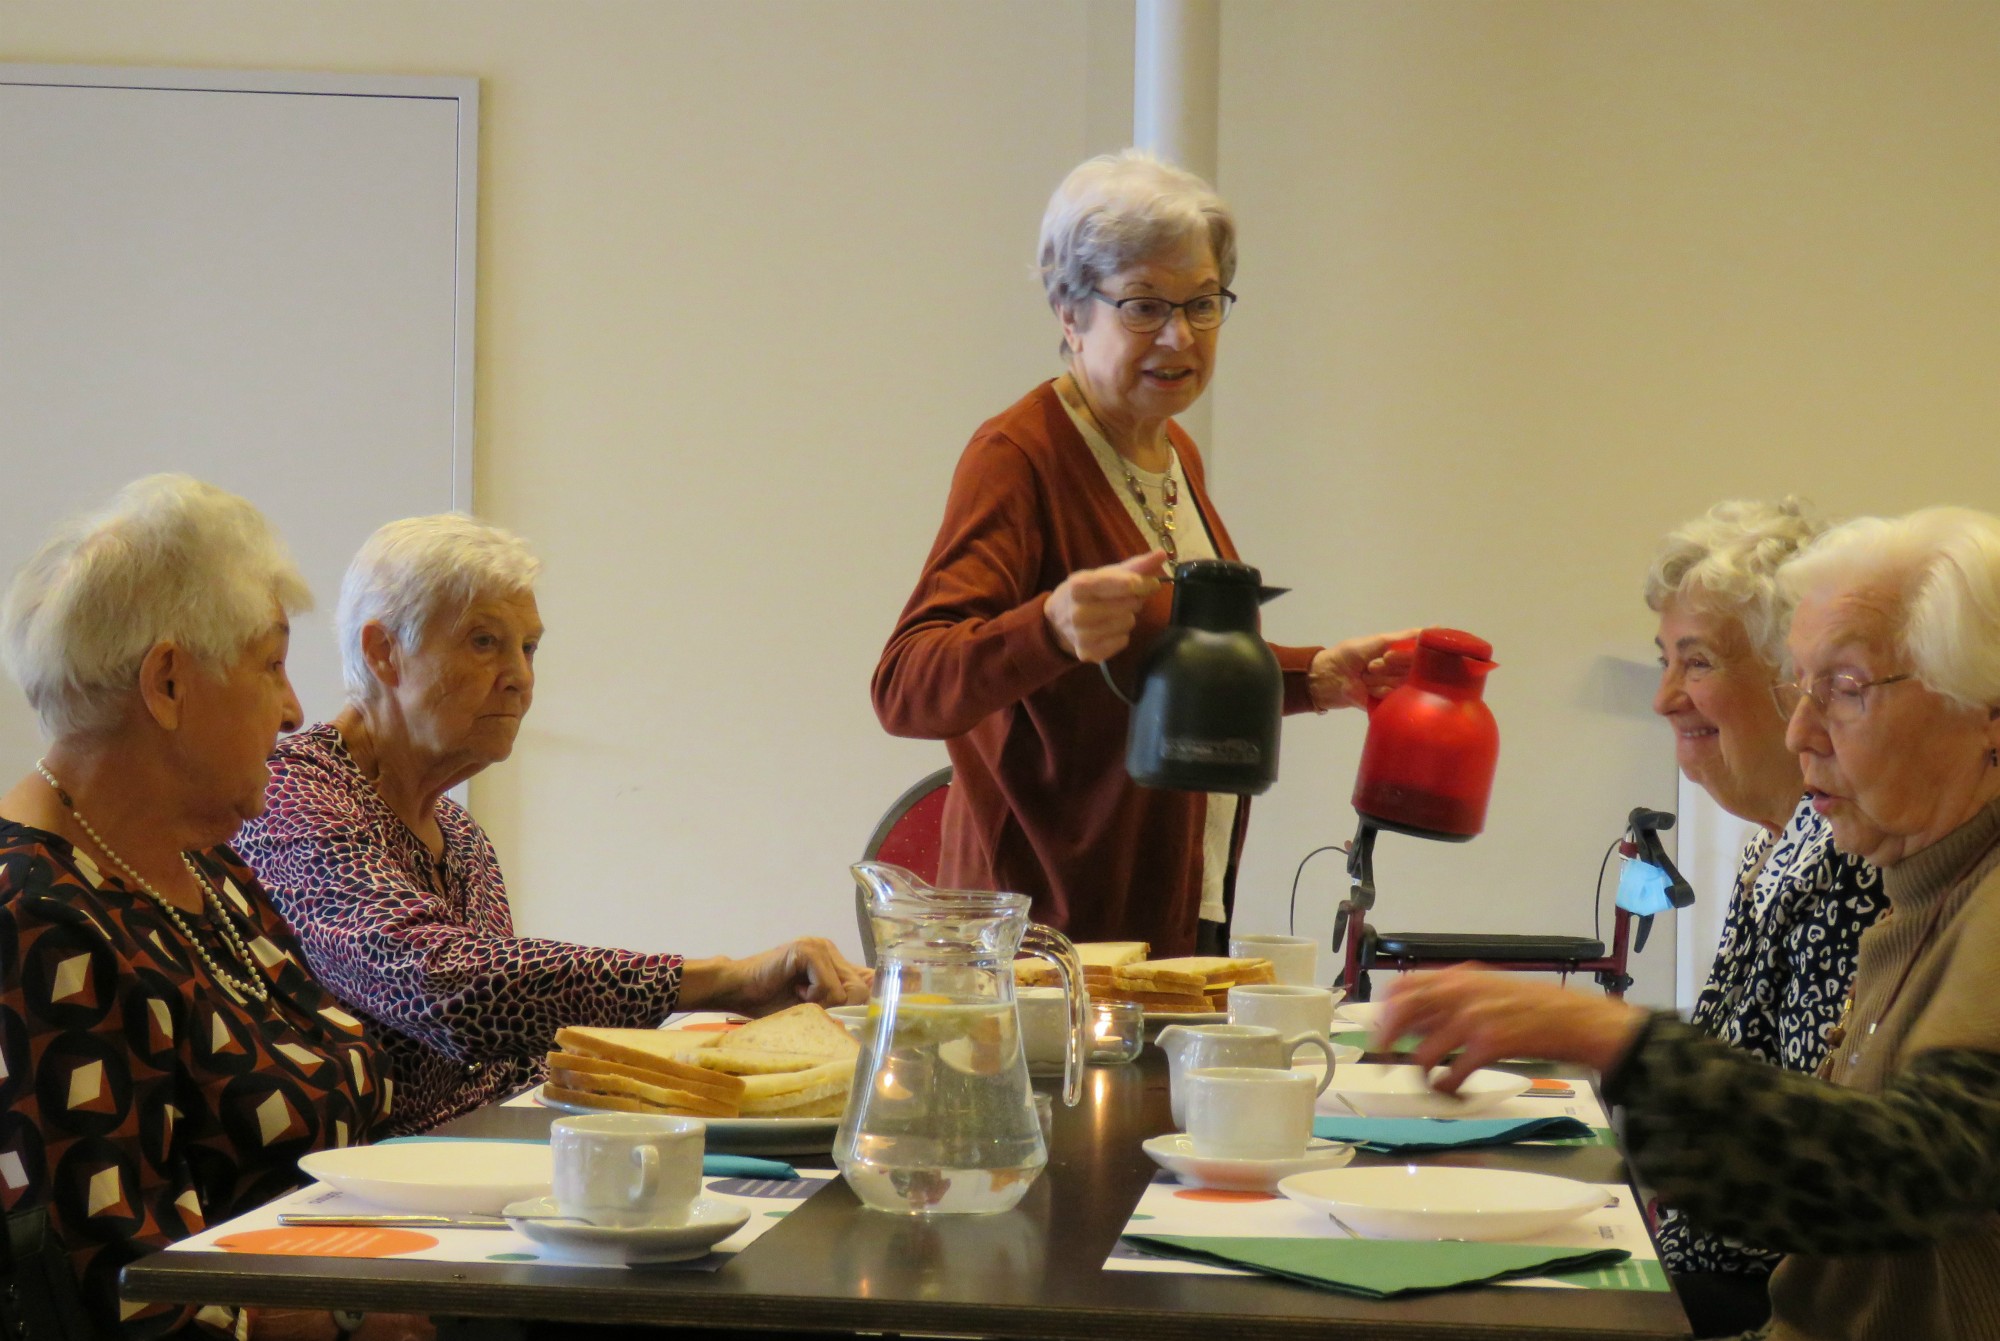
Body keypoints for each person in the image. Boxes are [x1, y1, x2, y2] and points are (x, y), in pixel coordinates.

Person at [1381, 506, 2000, 1341]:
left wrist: (1617, 1040)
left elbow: (1920, 1172)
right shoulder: (1920, 888)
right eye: (1800, 686)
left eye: (1846, 688)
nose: (1801, 732)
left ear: (1987, 710)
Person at [872, 149, 1409, 957]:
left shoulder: (1174, 453)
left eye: (1202, 303)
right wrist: (1047, 628)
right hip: (1045, 944)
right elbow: (906, 687)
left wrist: (1313, 676)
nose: (1179, 336)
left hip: (1168, 916)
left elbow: (1168, 666)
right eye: (1144, 306)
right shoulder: (1020, 455)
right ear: (1068, 310)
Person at [235, 515, 870, 1135]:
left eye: (529, 647)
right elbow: (443, 988)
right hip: (351, 1197)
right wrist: (718, 982)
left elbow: (509, 1054)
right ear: (383, 652)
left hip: (473, 1166)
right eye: (485, 642)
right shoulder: (292, 795)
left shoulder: (458, 833)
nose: (520, 679)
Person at [0, 476, 409, 1339]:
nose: (295, 708)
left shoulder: (212, 874)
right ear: (169, 683)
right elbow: (114, 1294)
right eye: (270, 664)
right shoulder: (34, 918)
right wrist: (348, 1315)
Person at [1643, 500, 1886, 1335]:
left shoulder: (1851, 859)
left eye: (1696, 662)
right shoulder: (1779, 842)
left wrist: (1613, 1066)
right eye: (1665, 660)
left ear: (1794, 673)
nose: (1665, 697)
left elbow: (1804, 1167)